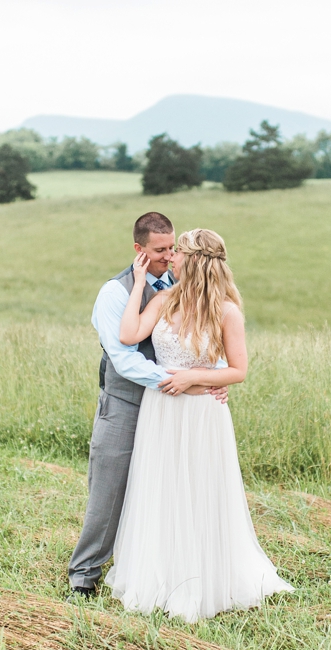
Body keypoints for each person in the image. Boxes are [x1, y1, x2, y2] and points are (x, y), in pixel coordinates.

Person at [104, 228, 292, 622]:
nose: (170, 257)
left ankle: (203, 578)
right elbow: (128, 334)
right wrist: (138, 284)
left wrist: (195, 378)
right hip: (162, 412)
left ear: (194, 261)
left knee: (201, 489)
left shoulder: (226, 310)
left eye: (178, 253)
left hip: (203, 415)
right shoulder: (163, 299)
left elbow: (239, 371)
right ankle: (162, 574)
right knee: (164, 487)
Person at [67, 212, 226, 598]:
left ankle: (163, 571)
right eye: (160, 250)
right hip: (126, 403)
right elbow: (124, 357)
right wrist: (179, 384)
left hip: (172, 411)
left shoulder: (185, 285)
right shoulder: (115, 292)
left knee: (166, 490)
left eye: (173, 248)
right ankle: (83, 575)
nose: (169, 256)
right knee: (109, 490)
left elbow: (207, 336)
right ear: (139, 250)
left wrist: (211, 377)